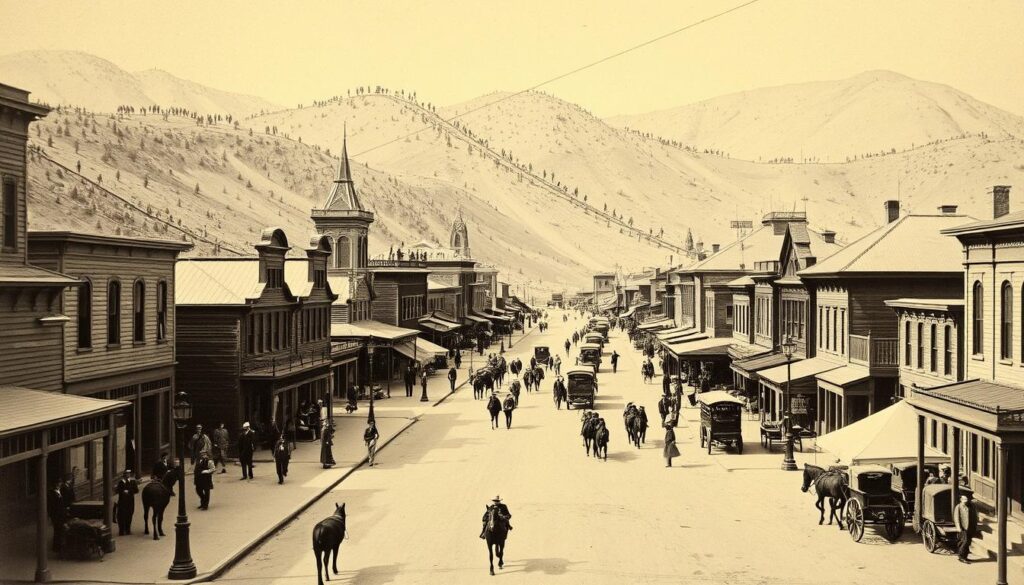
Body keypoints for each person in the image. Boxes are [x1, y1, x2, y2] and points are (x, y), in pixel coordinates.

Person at [953, 494, 978, 563]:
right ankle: (961, 556)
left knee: (968, 542)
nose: (966, 501)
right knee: (965, 541)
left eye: (967, 500)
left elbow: (975, 516)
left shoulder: (972, 506)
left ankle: (965, 556)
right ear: (961, 500)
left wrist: (975, 525)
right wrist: (958, 527)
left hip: (971, 526)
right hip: (963, 527)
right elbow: (956, 518)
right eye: (964, 500)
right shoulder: (958, 507)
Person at [115, 469, 138, 535]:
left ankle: (128, 530)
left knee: (129, 515)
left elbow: (136, 490)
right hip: (122, 501)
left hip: (130, 501)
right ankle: (121, 530)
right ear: (124, 475)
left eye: (128, 474)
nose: (127, 475)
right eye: (126, 474)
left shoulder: (132, 482)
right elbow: (117, 490)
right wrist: (122, 491)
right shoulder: (121, 482)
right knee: (121, 515)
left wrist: (129, 491)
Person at [48, 479, 67, 553]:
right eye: (59, 483)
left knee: (60, 531)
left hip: (61, 514)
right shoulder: (51, 494)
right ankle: (57, 547)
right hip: (56, 515)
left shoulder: (59, 492)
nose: (60, 485)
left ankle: (59, 546)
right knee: (58, 531)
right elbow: (52, 506)